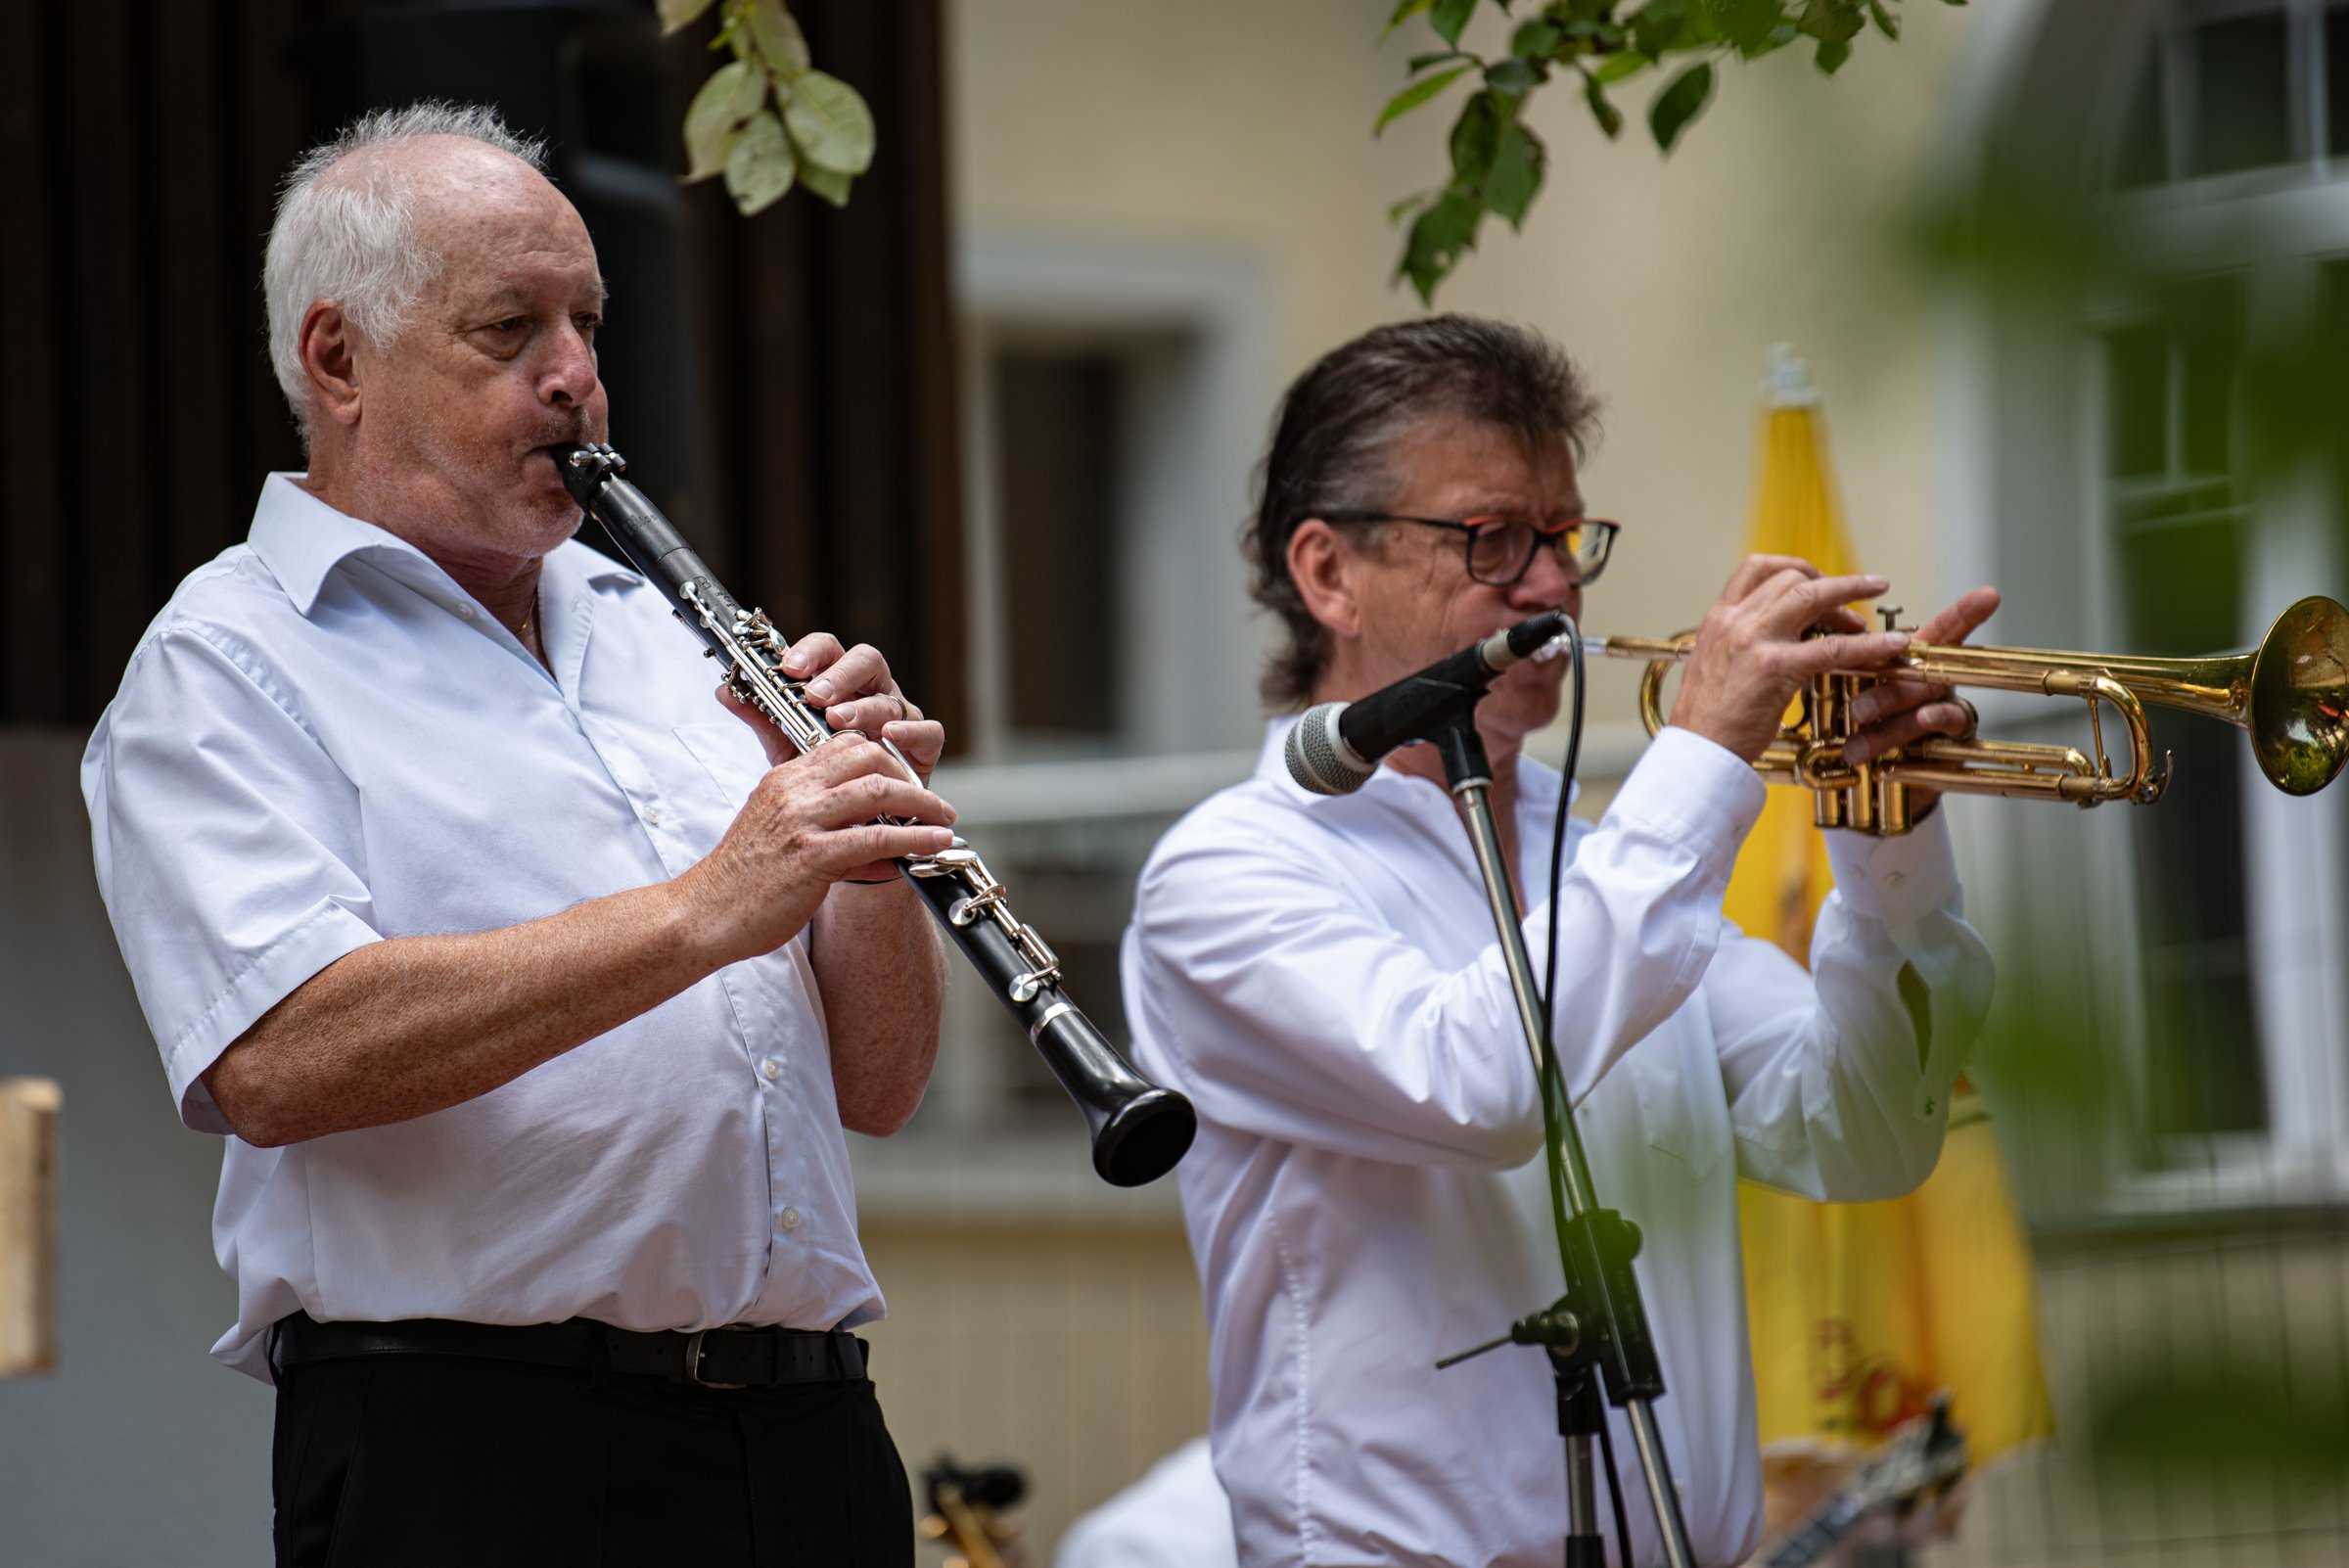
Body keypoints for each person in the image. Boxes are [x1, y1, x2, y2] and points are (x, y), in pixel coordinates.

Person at [81, 103, 953, 1567]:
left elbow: (881, 1082)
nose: (580, 379)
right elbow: (278, 1060)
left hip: (809, 1437)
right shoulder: (228, 658)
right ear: (337, 358)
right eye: (511, 329)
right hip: (478, 1449)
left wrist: (866, 863)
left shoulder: (673, 633)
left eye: (589, 323)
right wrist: (713, 903)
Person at [1120, 315, 1999, 1568]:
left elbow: (1862, 1135)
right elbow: (1479, 1085)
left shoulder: (1612, 857)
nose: (1550, 587)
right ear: (1329, 575)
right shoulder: (1226, 874)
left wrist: (1888, 836)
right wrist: (1700, 757)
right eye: (1491, 539)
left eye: (1564, 538)